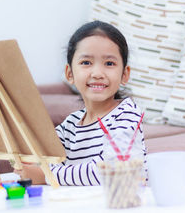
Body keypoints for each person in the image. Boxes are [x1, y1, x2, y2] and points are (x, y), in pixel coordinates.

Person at [14, 20, 147, 185]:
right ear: (69, 73)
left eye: (109, 63)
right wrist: (29, 162)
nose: (98, 73)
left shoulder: (127, 115)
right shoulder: (69, 125)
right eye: (86, 63)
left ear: (125, 74)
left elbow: (111, 170)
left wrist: (46, 175)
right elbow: (45, 158)